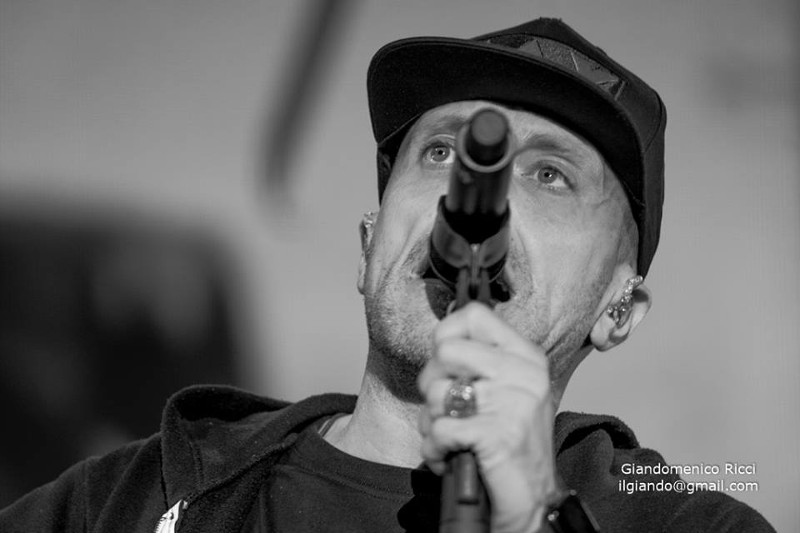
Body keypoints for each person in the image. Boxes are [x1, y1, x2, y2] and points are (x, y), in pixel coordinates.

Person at [0, 17, 775, 533]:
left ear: (619, 308)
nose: (478, 193)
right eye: (441, 151)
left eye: (550, 174)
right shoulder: (125, 502)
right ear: (371, 245)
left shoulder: (682, 522)